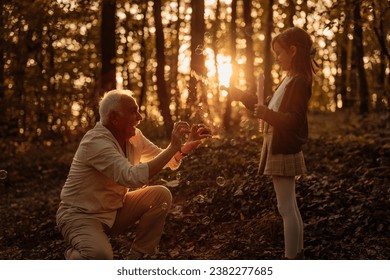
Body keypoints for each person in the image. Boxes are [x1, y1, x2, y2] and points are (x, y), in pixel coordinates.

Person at [56, 89, 211, 260]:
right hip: (80, 215)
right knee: (99, 256)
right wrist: (173, 147)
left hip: (114, 210)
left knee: (161, 195)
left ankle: (138, 257)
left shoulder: (135, 136)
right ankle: (73, 258)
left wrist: (183, 148)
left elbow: (163, 158)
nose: (140, 117)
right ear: (114, 118)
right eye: (133, 111)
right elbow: (132, 177)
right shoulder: (96, 142)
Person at [223, 27, 316, 259]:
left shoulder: (299, 82)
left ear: (293, 51)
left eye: (279, 53)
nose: (276, 58)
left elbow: (293, 121)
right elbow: (267, 108)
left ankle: (291, 259)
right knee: (290, 206)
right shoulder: (289, 80)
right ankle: (298, 253)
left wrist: (266, 114)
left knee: (285, 208)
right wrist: (242, 95)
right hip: (277, 145)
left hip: (283, 148)